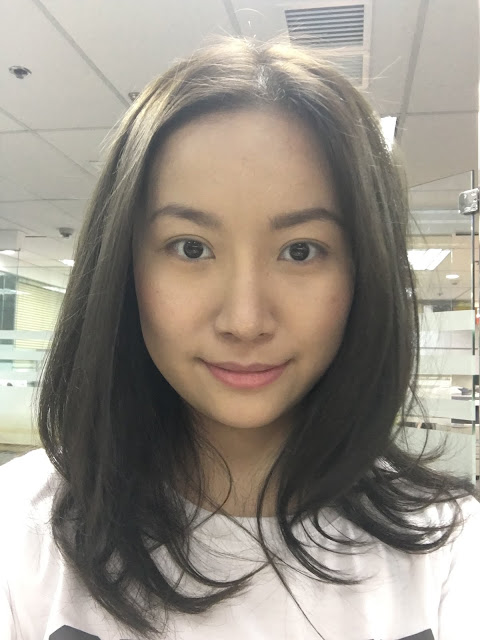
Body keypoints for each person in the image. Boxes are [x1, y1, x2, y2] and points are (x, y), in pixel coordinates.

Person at [1, 35, 479, 640]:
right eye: (191, 248)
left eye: (300, 251)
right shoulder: (22, 529)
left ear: (364, 273)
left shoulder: (448, 544)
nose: (246, 320)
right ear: (124, 268)